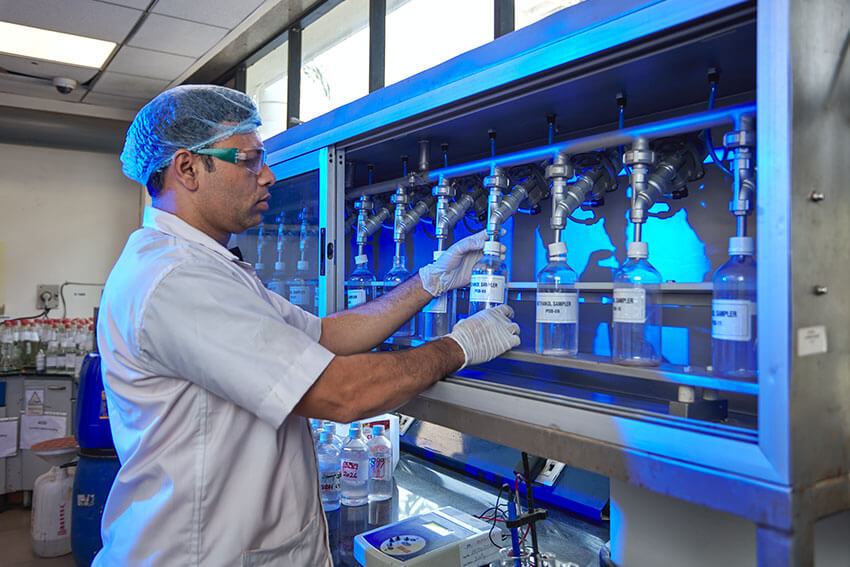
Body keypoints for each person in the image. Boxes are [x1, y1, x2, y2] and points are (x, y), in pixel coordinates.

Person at [94, 85, 520, 566]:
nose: (268, 176)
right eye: (249, 160)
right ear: (188, 168)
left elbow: (325, 335)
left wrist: (429, 280)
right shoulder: (178, 280)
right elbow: (341, 394)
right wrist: (457, 347)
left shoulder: (207, 268)